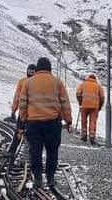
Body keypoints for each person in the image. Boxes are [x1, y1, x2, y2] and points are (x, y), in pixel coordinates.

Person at [18, 57, 72, 189]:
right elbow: (65, 103)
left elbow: (23, 104)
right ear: (49, 68)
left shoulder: (28, 83)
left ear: (37, 69)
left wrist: (22, 123)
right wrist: (68, 121)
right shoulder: (57, 82)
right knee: (52, 151)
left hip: (34, 124)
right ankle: (50, 177)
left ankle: (37, 178)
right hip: (52, 124)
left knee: (35, 151)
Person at [9, 64, 36, 157]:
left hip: (33, 113)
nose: (31, 72)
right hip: (23, 112)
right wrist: (13, 110)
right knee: (18, 132)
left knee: (33, 134)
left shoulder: (37, 82)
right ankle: (11, 151)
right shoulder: (22, 81)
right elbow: (17, 96)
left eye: (33, 71)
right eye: (30, 71)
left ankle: (32, 153)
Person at [76, 73, 105, 145]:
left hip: (84, 105)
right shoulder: (98, 86)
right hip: (95, 107)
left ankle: (84, 136)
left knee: (84, 121)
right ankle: (92, 137)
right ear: (95, 79)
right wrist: (100, 106)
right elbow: (102, 98)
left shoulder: (83, 84)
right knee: (93, 122)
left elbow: (78, 93)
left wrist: (80, 102)